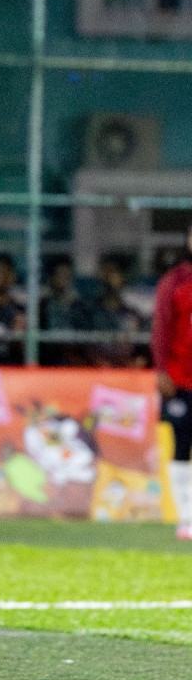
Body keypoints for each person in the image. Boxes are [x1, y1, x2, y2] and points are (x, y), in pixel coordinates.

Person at [153, 223, 192, 539]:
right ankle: (187, 518)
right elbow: (162, 328)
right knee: (182, 448)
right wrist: (162, 370)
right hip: (181, 379)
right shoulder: (176, 281)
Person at [74, 256, 146, 368]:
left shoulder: (132, 314)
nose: (108, 278)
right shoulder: (86, 311)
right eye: (105, 273)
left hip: (124, 373)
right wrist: (94, 362)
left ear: (122, 277)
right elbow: (79, 346)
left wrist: (135, 361)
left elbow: (140, 350)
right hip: (93, 371)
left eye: (113, 273)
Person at [38, 256, 81, 366]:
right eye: (59, 275)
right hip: (48, 362)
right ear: (50, 277)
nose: (62, 280)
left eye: (66, 276)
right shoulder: (42, 306)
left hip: (75, 362)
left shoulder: (80, 307)